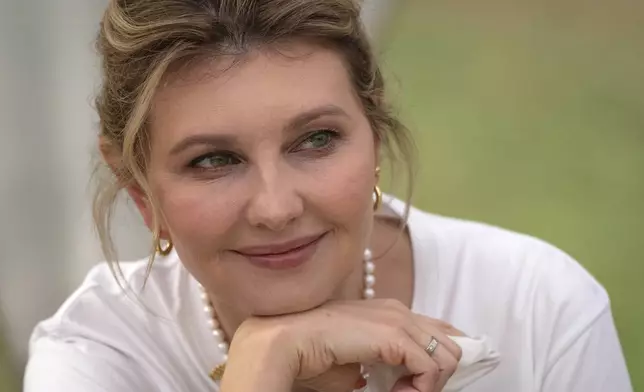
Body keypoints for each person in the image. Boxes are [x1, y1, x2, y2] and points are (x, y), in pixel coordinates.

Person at [24, 0, 632, 391]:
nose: (276, 207)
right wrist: (261, 368)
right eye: (213, 160)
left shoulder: (538, 309)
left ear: (373, 134)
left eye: (316, 139)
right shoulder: (97, 360)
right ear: (140, 190)